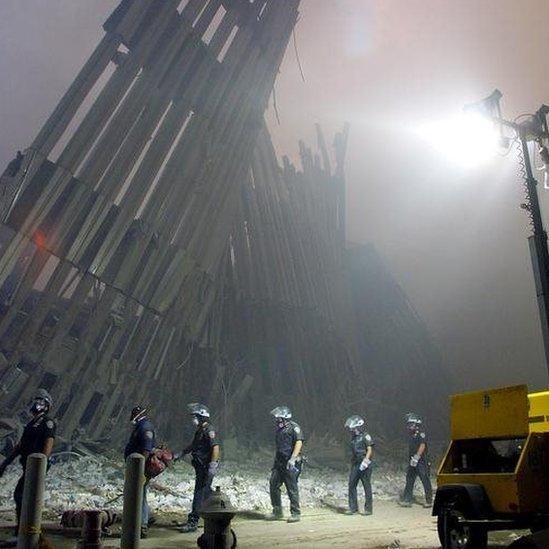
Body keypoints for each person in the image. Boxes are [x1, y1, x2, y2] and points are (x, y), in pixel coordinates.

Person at [0, 389, 56, 537]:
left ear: (46, 405)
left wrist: (41, 464)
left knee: (22, 495)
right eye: (36, 400)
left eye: (40, 401)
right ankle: (23, 531)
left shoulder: (47, 422)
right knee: (22, 496)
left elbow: (49, 443)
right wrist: (5, 463)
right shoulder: (31, 423)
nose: (36, 404)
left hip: (35, 466)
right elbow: (21, 446)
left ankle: (25, 532)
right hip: (28, 465)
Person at [178, 403, 220, 533]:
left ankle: (193, 521)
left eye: (195, 416)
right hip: (200, 466)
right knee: (206, 492)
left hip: (206, 467)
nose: (193, 419)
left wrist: (212, 465)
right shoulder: (200, 430)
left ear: (202, 417)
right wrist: (181, 453)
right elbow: (194, 445)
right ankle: (218, 513)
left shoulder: (209, 430)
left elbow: (215, 448)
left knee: (199, 493)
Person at [267, 406, 304, 523]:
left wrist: (293, 459)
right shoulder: (280, 429)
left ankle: (295, 513)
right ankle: (277, 511)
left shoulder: (294, 427)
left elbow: (299, 442)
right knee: (273, 484)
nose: (277, 420)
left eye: (278, 418)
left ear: (284, 418)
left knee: (291, 487)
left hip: (290, 462)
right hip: (279, 462)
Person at [124, 406, 155, 539]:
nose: (131, 416)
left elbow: (146, 450)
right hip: (135, 467)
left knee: (140, 496)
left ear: (137, 414)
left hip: (140, 468)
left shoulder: (145, 427)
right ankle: (141, 521)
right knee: (139, 495)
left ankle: (142, 525)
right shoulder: (140, 426)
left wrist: (140, 470)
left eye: (133, 413)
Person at [398, 412, 432, 508]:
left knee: (425, 479)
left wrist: (417, 457)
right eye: (408, 424)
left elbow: (422, 445)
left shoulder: (421, 433)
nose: (408, 426)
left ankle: (429, 501)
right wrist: (413, 459)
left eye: (410, 424)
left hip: (421, 461)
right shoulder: (411, 435)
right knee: (410, 479)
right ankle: (407, 500)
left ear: (416, 424)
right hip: (412, 460)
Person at [344, 415, 374, 515]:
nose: (350, 429)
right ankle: (353, 508)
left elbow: (369, 449)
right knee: (351, 484)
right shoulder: (353, 438)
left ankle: (368, 509)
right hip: (356, 464)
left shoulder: (365, 436)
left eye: (352, 427)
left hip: (365, 464)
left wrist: (366, 461)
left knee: (366, 485)